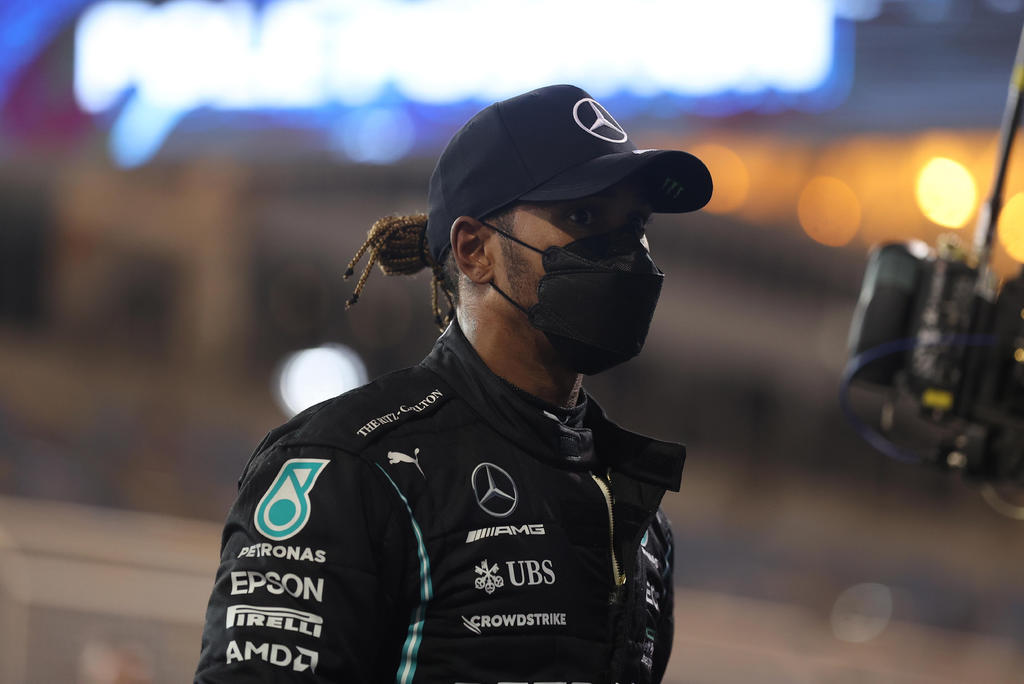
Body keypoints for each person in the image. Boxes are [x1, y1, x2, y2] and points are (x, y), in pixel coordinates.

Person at [194, 84, 712, 684]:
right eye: (584, 217)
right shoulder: (349, 468)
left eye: (635, 224)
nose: (627, 254)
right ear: (474, 251)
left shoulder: (639, 518)